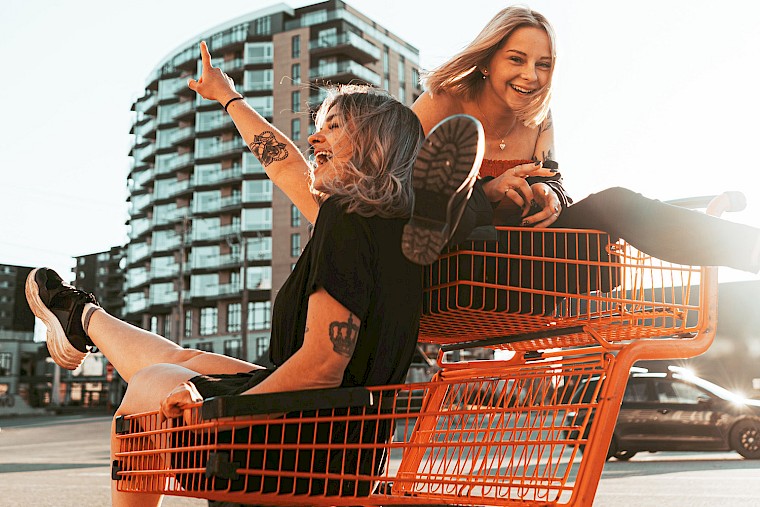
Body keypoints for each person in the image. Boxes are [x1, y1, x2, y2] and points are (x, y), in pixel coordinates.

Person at [25, 41, 482, 507]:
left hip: (304, 455)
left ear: (374, 142)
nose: (314, 139)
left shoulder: (348, 219)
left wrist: (223, 414)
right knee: (187, 363)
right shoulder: (387, 226)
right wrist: (228, 96)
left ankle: (81, 318)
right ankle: (80, 317)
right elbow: (285, 167)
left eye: (333, 127)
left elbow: (324, 366)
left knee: (149, 387)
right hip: (346, 445)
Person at [402, 5, 760, 274]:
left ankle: (750, 251)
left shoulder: (539, 116)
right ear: (486, 62)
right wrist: (488, 191)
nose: (531, 76)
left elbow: (555, 183)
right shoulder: (442, 103)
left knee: (613, 204)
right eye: (517, 59)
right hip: (460, 263)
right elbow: (399, 191)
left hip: (525, 258)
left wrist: (550, 198)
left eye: (543, 64)